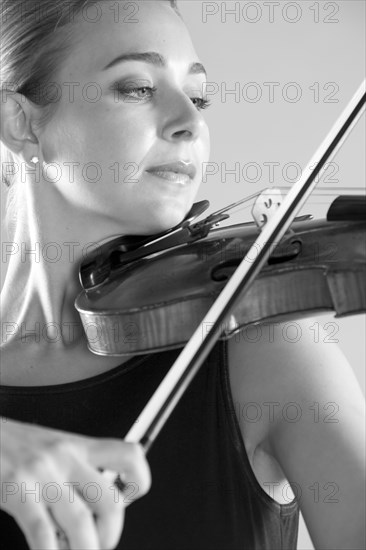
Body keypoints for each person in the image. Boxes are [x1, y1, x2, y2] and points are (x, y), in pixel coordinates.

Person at [0, 1, 364, 549]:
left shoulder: (263, 352)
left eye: (198, 97)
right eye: (137, 88)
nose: (190, 122)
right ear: (20, 121)